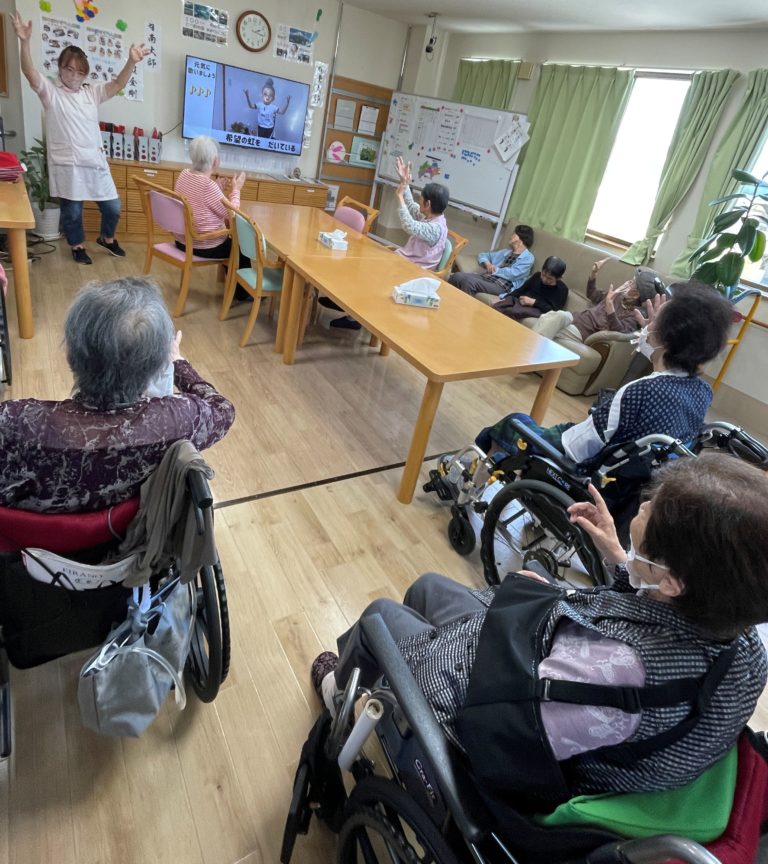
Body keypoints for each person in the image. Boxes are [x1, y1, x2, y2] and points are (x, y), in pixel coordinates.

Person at [311, 453, 768, 811]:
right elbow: (647, 615)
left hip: (497, 731)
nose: (645, 505)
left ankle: (340, 693)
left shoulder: (621, 673)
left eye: (654, 511)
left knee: (379, 620)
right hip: (553, 684)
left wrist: (527, 607)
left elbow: (493, 715)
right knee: (429, 586)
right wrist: (619, 558)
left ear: (672, 581)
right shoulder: (739, 636)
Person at [0, 277, 235, 511]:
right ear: (157, 366)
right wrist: (178, 362)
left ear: (69, 353)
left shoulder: (14, 422)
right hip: (128, 531)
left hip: (34, 535)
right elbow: (223, 409)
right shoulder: (177, 420)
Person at [476, 281, 732, 464]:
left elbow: (575, 447)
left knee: (514, 423)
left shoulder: (639, 391)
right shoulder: (702, 391)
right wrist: (653, 333)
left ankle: (469, 486)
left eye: (653, 322)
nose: (646, 325)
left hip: (582, 467)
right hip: (629, 479)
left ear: (664, 339)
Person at [12, 10, 149, 265]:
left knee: (113, 207)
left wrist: (131, 62)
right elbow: (30, 72)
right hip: (69, 164)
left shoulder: (91, 93)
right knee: (73, 212)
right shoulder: (51, 93)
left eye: (80, 71)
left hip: (95, 163)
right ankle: (77, 246)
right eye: (69, 69)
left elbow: (118, 84)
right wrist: (25, 42)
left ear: (86, 73)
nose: (74, 75)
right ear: (60, 68)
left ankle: (107, 238)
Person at [325, 154, 449, 330]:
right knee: (364, 265)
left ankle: (355, 317)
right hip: (403, 262)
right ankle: (347, 304)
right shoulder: (431, 217)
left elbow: (409, 225)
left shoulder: (435, 228)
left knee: (370, 273)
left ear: (428, 204)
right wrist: (404, 183)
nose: (419, 201)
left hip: (412, 271)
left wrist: (399, 196)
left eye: (421, 199)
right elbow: (412, 207)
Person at [174, 135, 251, 302]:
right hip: (203, 245)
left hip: (181, 241)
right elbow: (232, 214)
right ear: (215, 161)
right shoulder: (208, 186)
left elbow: (199, 198)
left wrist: (217, 187)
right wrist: (236, 190)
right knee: (241, 248)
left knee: (230, 243)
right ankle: (243, 293)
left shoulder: (184, 174)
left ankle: (234, 286)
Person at [529, 256, 662, 343]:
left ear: (636, 294)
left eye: (632, 283)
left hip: (583, 331)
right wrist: (594, 274)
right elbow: (592, 294)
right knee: (550, 317)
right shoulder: (618, 295)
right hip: (575, 318)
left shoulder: (636, 315)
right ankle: (528, 356)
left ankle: (526, 356)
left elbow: (619, 333)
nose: (627, 283)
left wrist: (610, 308)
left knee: (548, 321)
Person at [448, 223, 534, 298]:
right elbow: (483, 255)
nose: (511, 236)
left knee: (469, 282)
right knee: (457, 276)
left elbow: (513, 274)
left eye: (514, 234)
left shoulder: (528, 258)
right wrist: (487, 263)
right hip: (487, 278)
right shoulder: (505, 252)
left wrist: (495, 269)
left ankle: (464, 309)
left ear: (520, 239)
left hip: (502, 286)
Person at [493, 255, 568, 322]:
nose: (544, 279)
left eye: (549, 278)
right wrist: (504, 298)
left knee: (514, 311)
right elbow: (520, 290)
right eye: (543, 275)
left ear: (559, 278)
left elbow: (555, 312)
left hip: (538, 309)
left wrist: (534, 302)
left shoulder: (562, 290)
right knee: (498, 305)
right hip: (521, 301)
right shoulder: (537, 276)